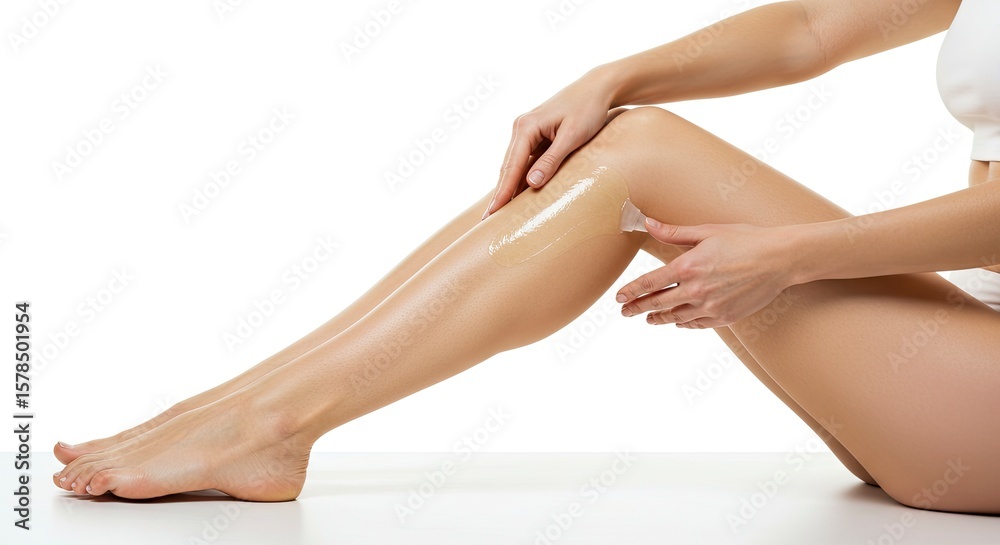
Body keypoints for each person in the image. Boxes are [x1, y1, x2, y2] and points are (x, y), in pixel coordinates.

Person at [52, 0, 1000, 513]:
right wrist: (613, 74)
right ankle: (242, 407)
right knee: (631, 133)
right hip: (964, 377)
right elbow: (812, 28)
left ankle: (267, 423)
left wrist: (795, 255)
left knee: (639, 156)